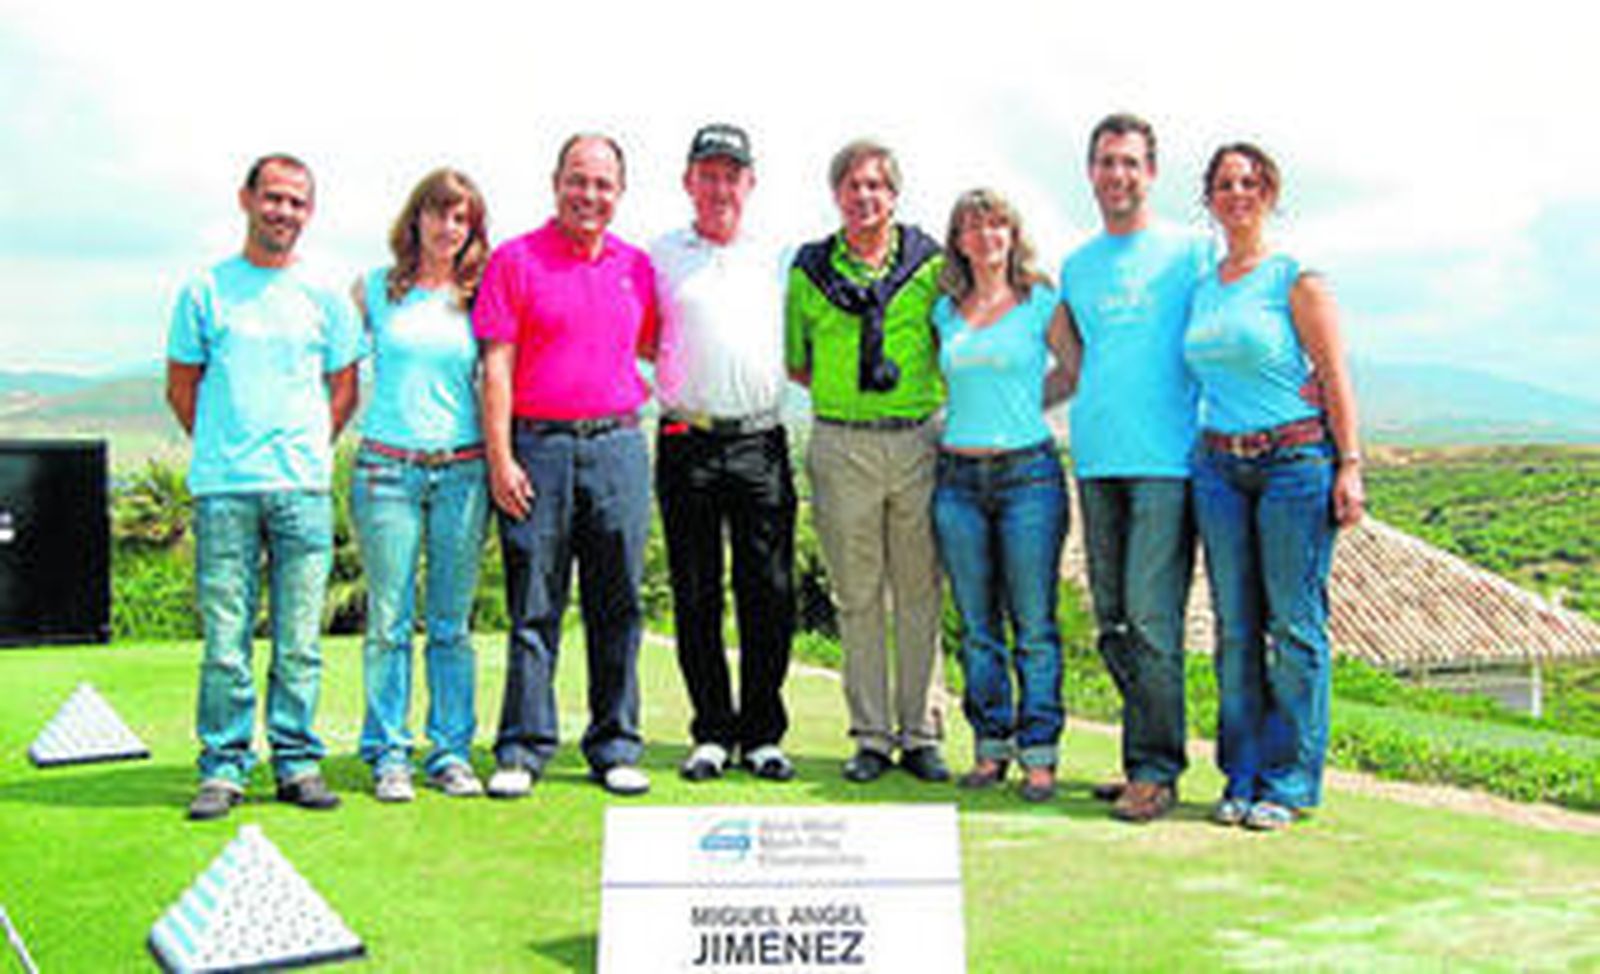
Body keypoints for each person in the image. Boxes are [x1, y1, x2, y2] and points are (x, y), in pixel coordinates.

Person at [166, 153, 362, 821]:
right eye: (273, 198)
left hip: (303, 490)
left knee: (300, 641)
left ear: (309, 212)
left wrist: (309, 447)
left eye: (297, 203)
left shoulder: (326, 296)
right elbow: (181, 386)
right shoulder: (205, 290)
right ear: (246, 199)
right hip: (224, 492)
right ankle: (223, 768)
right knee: (227, 641)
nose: (284, 212)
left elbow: (345, 386)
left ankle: (297, 762)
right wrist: (225, 449)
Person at [1185, 142, 1364, 831]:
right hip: (1220, 468)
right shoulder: (1205, 284)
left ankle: (1289, 783)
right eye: (1226, 184)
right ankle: (1242, 774)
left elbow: (1335, 376)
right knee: (1235, 631)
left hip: (1295, 465)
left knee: (1294, 628)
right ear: (1209, 198)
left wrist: (1350, 463)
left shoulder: (1297, 281)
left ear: (1270, 194)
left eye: (1251, 183)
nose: (1238, 194)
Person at [473, 134, 659, 798]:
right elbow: (495, 365)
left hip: (617, 447)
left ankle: (614, 744)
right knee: (534, 603)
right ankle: (522, 749)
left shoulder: (637, 267)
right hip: (537, 449)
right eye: (578, 180)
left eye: (603, 184)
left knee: (619, 602)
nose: (589, 195)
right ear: (556, 182)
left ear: (620, 192)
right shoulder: (514, 260)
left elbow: (654, 346)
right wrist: (500, 456)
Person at [1057, 113, 1213, 823]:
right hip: (1096, 457)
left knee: (1153, 620)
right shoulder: (1078, 266)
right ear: (1091, 172)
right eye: (1105, 162)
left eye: (1129, 163)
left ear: (1151, 173)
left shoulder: (1191, 251)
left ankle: (1157, 769)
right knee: (1114, 622)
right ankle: (1139, 761)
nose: (1117, 175)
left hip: (1168, 464)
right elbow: (1079, 360)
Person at [785, 139, 949, 784]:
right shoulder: (808, 269)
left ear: (895, 194)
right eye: (853, 186)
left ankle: (922, 731)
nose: (864, 197)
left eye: (877, 185)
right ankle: (872, 735)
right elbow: (796, 360)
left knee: (918, 592)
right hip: (841, 441)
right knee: (857, 596)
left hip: (916, 439)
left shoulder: (930, 263)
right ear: (836, 195)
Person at [652, 124, 798, 783]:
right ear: (689, 181)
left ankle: (763, 733)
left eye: (731, 174)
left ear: (750, 183)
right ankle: (712, 730)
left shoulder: (780, 256)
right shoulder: (659, 255)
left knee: (767, 590)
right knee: (696, 592)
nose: (720, 186)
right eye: (707, 173)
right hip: (686, 439)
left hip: (761, 440)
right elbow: (637, 338)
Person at [351, 169, 492, 803]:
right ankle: (388, 752)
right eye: (439, 213)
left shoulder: (482, 295)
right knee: (387, 620)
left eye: (462, 218)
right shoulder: (376, 291)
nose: (448, 227)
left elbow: (499, 379)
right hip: (387, 472)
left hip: (463, 473)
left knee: (450, 623)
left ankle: (451, 750)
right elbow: (330, 370)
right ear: (416, 219)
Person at [931, 189, 1074, 803]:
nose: (986, 235)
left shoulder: (1042, 300)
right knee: (977, 626)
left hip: (1028, 479)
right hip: (957, 481)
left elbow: (1071, 369)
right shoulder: (944, 310)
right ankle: (990, 749)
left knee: (1034, 624)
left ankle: (1039, 753)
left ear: (1012, 234)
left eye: (997, 224)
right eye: (973, 226)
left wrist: (1021, 411)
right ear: (959, 239)